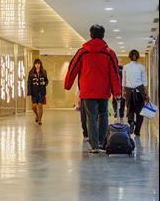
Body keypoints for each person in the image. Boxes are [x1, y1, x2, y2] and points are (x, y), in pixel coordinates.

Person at [64, 24, 121, 153]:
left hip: (87, 91)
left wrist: (67, 84)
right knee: (103, 115)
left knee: (91, 117)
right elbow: (115, 74)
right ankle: (101, 143)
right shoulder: (109, 53)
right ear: (103, 36)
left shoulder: (82, 52)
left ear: (90, 35)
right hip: (103, 91)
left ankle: (94, 146)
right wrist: (117, 92)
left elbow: (72, 68)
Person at [122, 49, 150, 136]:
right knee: (140, 112)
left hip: (129, 91)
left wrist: (123, 91)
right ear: (138, 57)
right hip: (140, 91)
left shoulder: (125, 67)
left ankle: (131, 123)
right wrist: (147, 93)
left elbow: (124, 81)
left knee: (130, 109)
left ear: (129, 57)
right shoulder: (141, 67)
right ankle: (137, 131)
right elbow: (144, 82)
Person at [28, 59, 48, 125]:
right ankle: (37, 115)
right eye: (36, 64)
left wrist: (44, 83)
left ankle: (40, 120)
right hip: (34, 92)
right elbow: (29, 83)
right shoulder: (31, 72)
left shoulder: (44, 72)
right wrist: (29, 92)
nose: (37, 65)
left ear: (40, 64)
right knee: (33, 106)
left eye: (38, 64)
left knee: (40, 105)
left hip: (42, 91)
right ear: (34, 65)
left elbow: (47, 81)